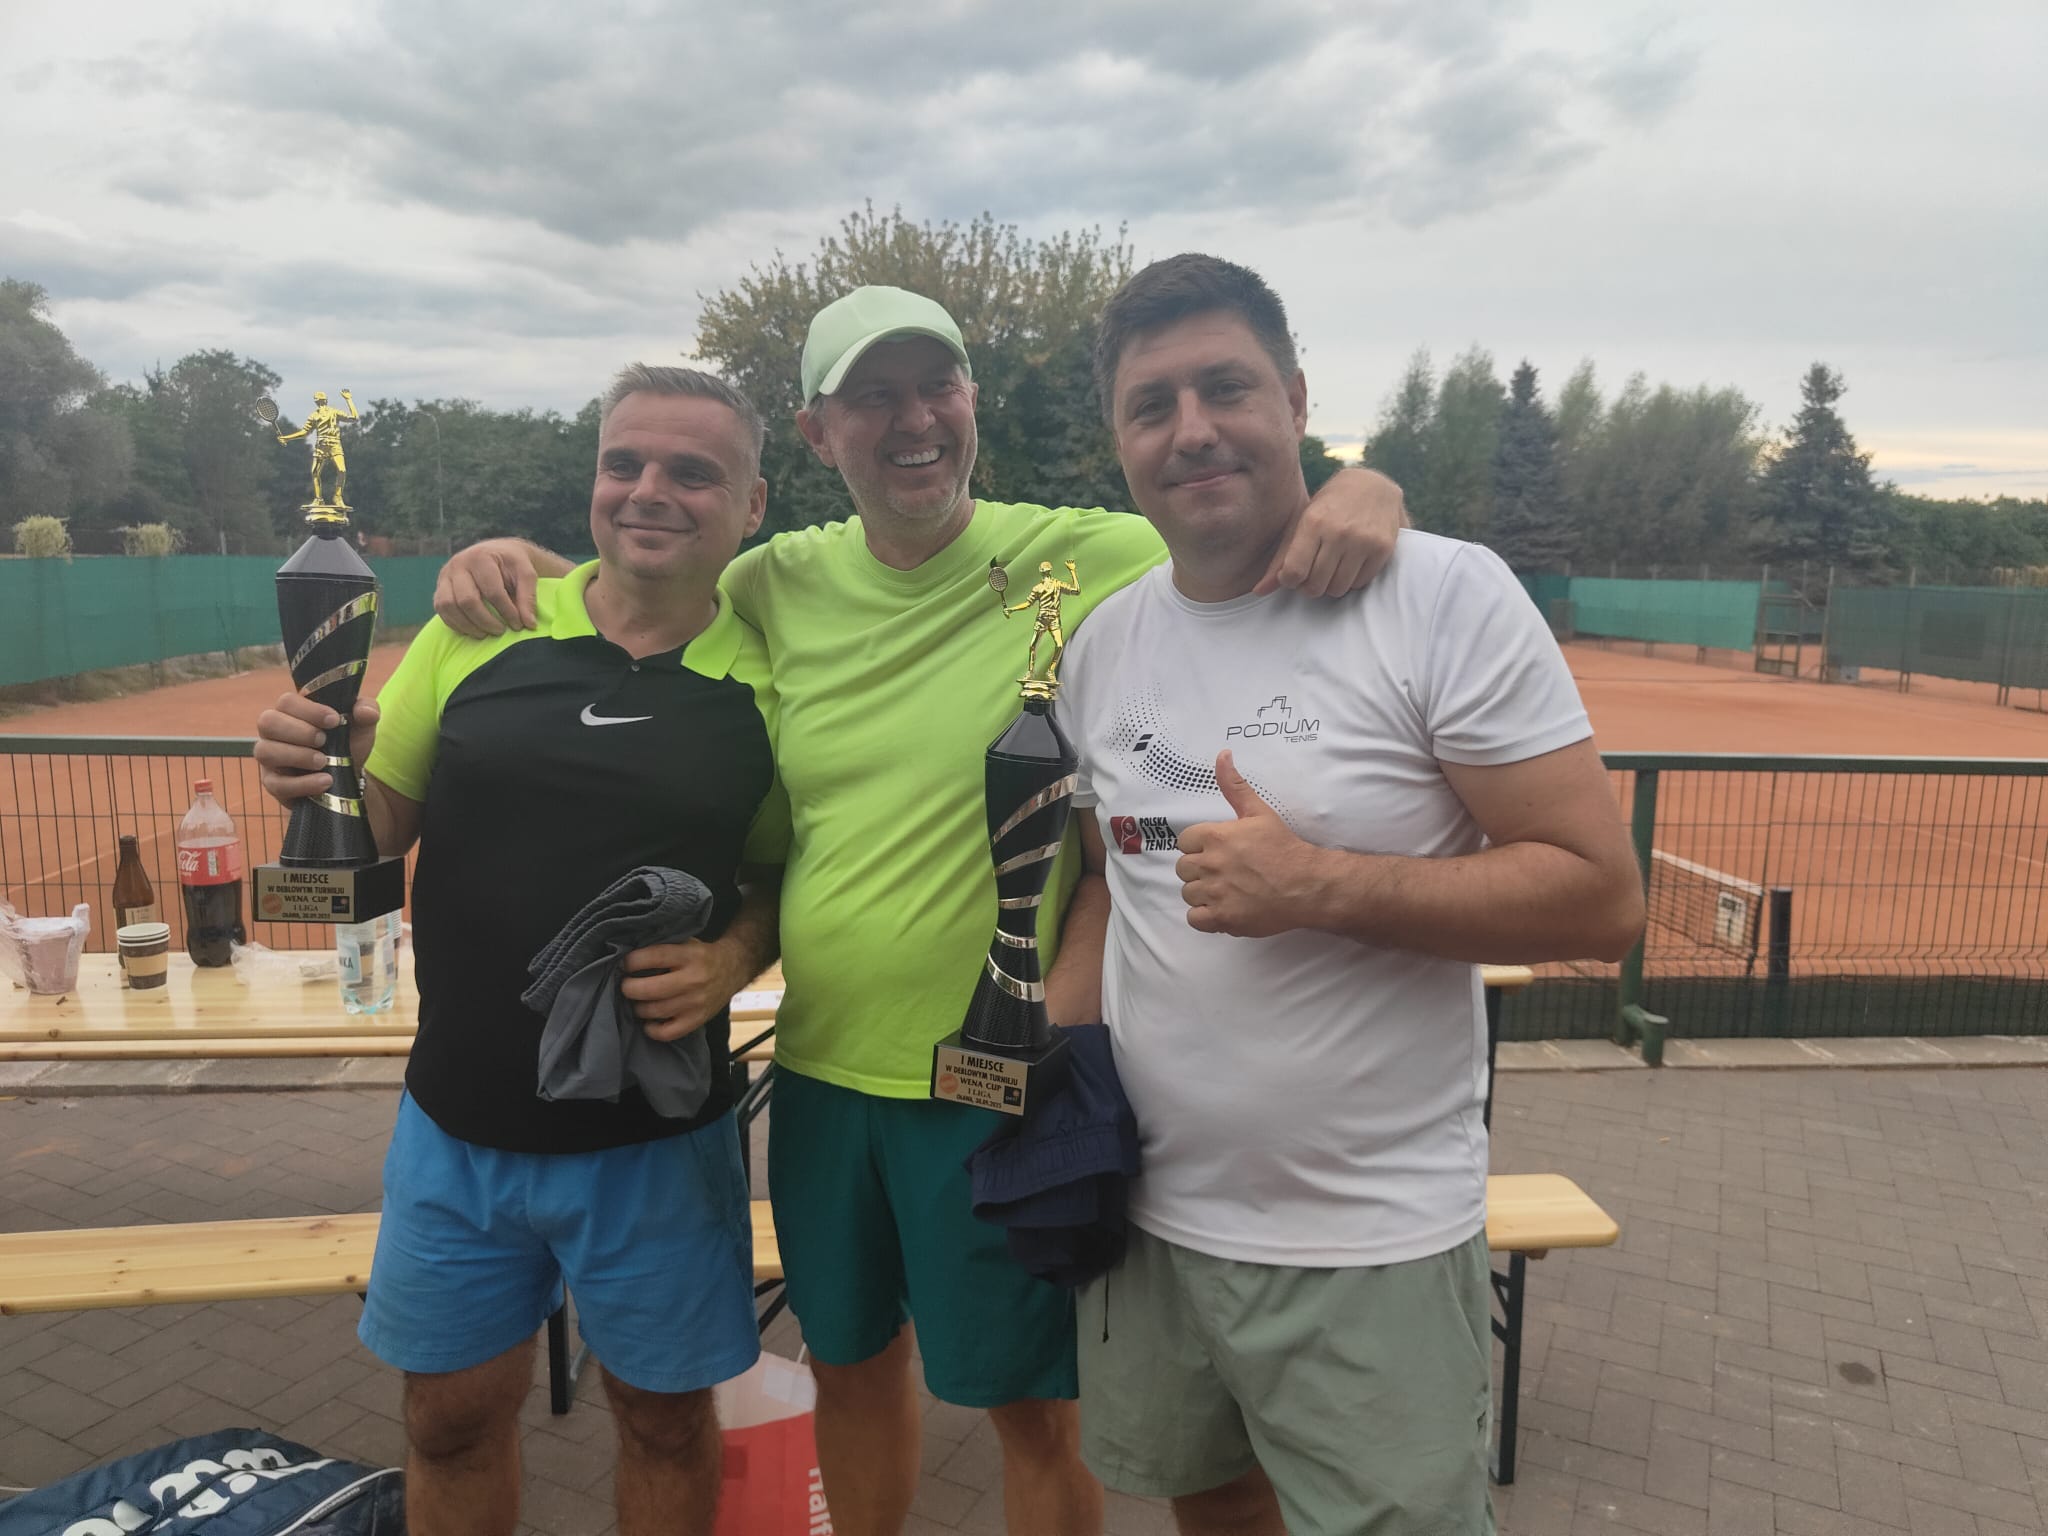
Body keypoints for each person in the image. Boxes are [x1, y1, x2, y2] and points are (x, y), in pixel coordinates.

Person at [431, 284, 1409, 1536]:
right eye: (872, 397)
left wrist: (1363, 485)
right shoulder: (773, 580)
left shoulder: (1084, 553)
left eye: (935, 386)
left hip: (999, 1082)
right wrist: (505, 561)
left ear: (970, 400)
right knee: (848, 1370)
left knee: (1031, 1409)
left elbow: (1248, 522)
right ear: (816, 431)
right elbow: (635, 574)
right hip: (821, 1075)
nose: (913, 420)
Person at [1051, 253, 1646, 1536]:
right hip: (1148, 1217)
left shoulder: (1440, 595)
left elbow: (1599, 900)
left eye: (1224, 387)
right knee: (1211, 1510)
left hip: (1365, 1236)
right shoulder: (1101, 646)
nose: (1189, 428)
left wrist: (1318, 884)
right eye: (1151, 405)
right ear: (1118, 441)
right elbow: (1114, 880)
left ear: (1295, 400)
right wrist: (1054, 1056)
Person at [253, 366, 789, 1536]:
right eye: (622, 464)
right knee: (446, 1420)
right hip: (456, 1123)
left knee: (662, 1424)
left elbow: (773, 875)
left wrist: (731, 957)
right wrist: (312, 778)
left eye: (691, 472)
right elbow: (379, 823)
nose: (648, 491)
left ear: (752, 506)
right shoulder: (480, 627)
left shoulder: (773, 677)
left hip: (657, 1142)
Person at [275, 388, 358, 509]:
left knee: (342, 470)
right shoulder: (314, 415)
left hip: (334, 444)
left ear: (326, 401)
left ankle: (338, 496)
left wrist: (349, 400)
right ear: (316, 402)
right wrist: (287, 438)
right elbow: (305, 432)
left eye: (322, 400)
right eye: (319, 400)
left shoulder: (334, 412)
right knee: (315, 472)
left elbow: (354, 418)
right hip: (321, 445)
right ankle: (318, 499)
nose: (321, 402)